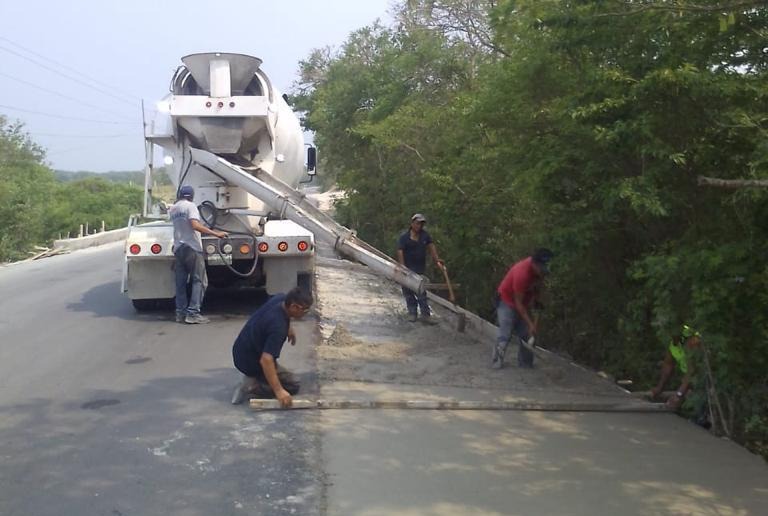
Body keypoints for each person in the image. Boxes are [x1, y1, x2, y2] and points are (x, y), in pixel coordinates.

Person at [230, 287, 314, 407]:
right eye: (305, 311)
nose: (306, 314)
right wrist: (279, 391)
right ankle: (252, 387)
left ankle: (257, 379)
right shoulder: (278, 327)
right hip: (251, 362)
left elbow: (284, 309)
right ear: (294, 307)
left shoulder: (280, 299)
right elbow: (266, 360)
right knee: (293, 384)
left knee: (281, 374)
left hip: (240, 351)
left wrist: (289, 326)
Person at [169, 185, 227, 324]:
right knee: (199, 281)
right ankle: (193, 313)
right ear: (191, 195)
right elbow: (194, 225)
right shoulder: (190, 206)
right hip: (192, 247)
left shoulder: (174, 209)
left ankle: (180, 314)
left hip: (179, 248)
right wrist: (216, 233)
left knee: (180, 283)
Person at [493, 248, 553, 369]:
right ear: (534, 264)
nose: (543, 273)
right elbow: (518, 303)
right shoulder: (522, 273)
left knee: (526, 334)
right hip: (506, 300)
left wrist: (537, 302)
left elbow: (537, 288)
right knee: (505, 332)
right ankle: (496, 362)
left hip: (522, 302)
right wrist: (531, 323)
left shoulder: (539, 272)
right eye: (541, 270)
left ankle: (526, 365)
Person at [396, 213, 445, 323]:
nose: (419, 226)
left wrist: (437, 259)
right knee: (408, 292)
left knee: (421, 292)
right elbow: (400, 251)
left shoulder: (425, 236)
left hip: (419, 268)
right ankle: (412, 313)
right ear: (412, 223)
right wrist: (403, 267)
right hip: (407, 268)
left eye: (421, 224)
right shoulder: (404, 237)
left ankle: (425, 315)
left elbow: (431, 247)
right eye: (418, 223)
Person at [650, 324, 702, 410]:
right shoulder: (673, 343)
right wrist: (659, 388)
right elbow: (668, 364)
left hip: (704, 379)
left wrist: (679, 394)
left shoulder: (692, 340)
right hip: (691, 380)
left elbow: (692, 370)